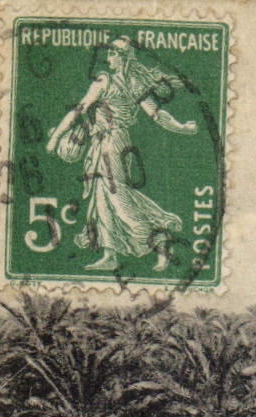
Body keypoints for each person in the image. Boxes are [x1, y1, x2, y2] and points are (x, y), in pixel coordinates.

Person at [45, 38, 197, 272]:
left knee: (117, 199)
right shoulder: (135, 83)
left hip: (110, 145)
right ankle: (111, 254)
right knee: (103, 198)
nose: (108, 58)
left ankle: (158, 238)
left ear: (123, 57)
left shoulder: (104, 81)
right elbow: (157, 115)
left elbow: (80, 109)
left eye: (113, 54)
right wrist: (182, 127)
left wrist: (56, 138)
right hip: (115, 143)